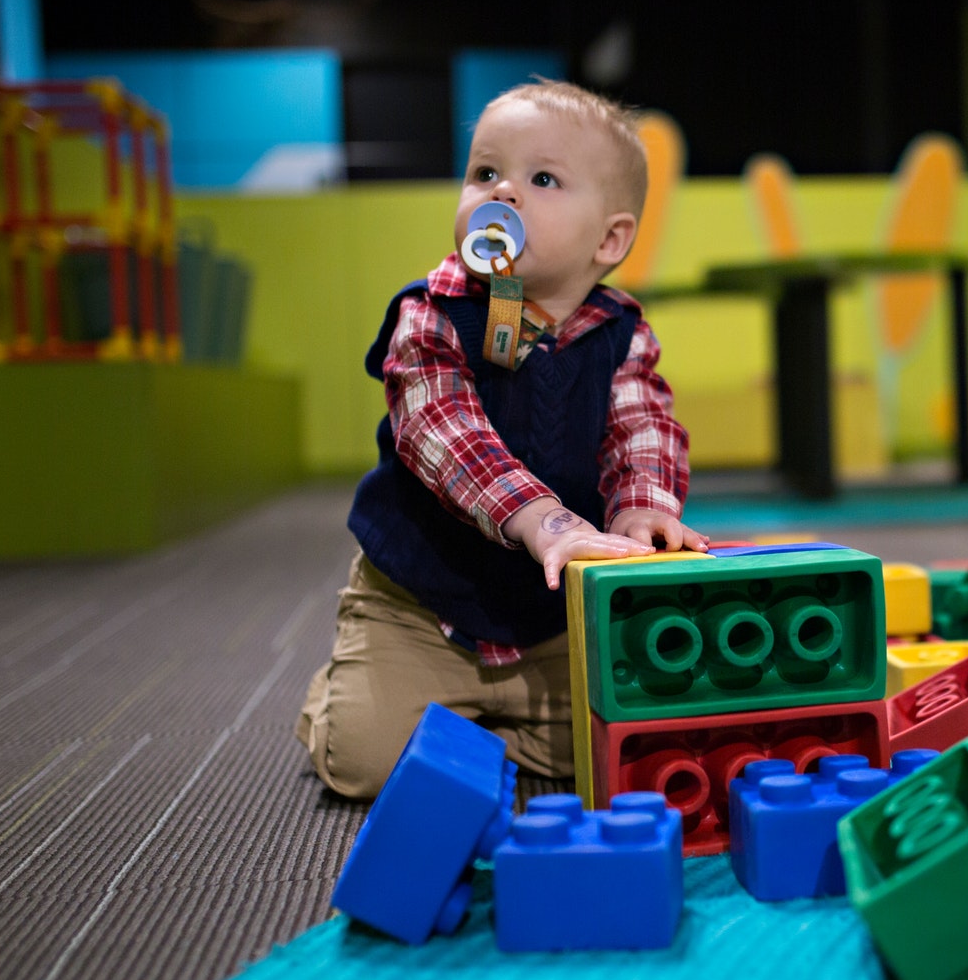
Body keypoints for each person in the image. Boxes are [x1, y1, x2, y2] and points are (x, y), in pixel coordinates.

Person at [296, 80, 705, 797]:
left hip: (549, 622)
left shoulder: (621, 332)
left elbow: (644, 425)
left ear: (609, 239)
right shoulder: (432, 315)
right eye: (485, 172)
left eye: (542, 179)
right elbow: (445, 435)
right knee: (364, 763)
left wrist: (643, 507)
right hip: (422, 606)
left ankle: (476, 728)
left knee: (621, 751)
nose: (504, 192)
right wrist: (542, 519)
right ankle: (344, 691)